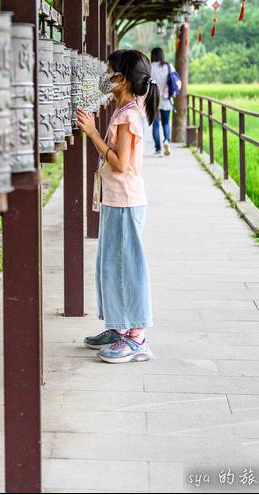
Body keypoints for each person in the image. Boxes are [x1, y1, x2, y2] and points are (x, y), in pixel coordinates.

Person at [75, 49, 158, 364]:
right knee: (110, 265)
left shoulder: (128, 115)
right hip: (115, 199)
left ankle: (137, 338)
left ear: (122, 79)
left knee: (128, 268)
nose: (105, 77)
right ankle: (119, 327)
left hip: (126, 200)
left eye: (109, 72)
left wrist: (93, 133)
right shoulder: (126, 108)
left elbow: (121, 164)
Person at [149, 47, 174, 157]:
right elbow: (175, 81)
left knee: (155, 124)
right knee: (166, 122)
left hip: (153, 99)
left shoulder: (150, 67)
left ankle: (158, 149)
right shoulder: (168, 66)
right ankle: (167, 141)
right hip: (166, 98)